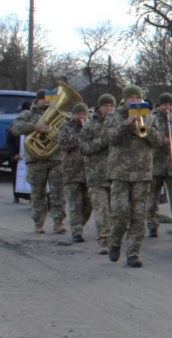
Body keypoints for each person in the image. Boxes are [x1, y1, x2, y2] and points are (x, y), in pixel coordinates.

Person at [106, 85, 163, 267]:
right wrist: (127, 122)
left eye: (138, 98)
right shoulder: (114, 116)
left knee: (139, 215)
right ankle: (115, 241)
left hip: (142, 172)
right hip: (120, 172)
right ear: (125, 100)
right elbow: (110, 138)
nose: (135, 101)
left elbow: (158, 141)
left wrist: (145, 126)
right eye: (131, 98)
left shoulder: (150, 117)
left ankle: (133, 253)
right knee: (121, 211)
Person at [10, 90, 67, 234]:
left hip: (56, 158)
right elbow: (15, 129)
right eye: (46, 99)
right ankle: (39, 223)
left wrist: (58, 131)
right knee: (37, 193)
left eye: (52, 99)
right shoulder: (27, 114)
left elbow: (68, 130)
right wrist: (35, 127)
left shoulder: (58, 113)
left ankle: (59, 222)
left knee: (58, 193)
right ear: (39, 100)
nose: (49, 102)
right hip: (36, 160)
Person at [79, 94, 116, 254]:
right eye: (105, 106)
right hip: (96, 174)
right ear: (99, 108)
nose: (109, 109)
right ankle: (104, 241)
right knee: (101, 209)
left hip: (116, 173)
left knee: (116, 210)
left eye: (111, 106)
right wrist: (103, 141)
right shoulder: (89, 126)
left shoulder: (118, 124)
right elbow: (84, 148)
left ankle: (116, 239)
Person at [147, 93, 172, 240]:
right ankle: (152, 225)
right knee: (152, 198)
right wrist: (161, 141)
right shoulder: (152, 118)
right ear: (160, 105)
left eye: (171, 105)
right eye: (166, 105)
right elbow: (148, 137)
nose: (168, 108)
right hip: (156, 163)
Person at [57, 102, 92, 244]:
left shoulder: (91, 126)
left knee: (88, 204)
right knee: (74, 203)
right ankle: (76, 231)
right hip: (72, 170)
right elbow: (63, 144)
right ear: (74, 115)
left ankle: (79, 224)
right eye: (79, 114)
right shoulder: (66, 127)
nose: (82, 117)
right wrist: (80, 136)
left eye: (84, 114)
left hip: (88, 170)